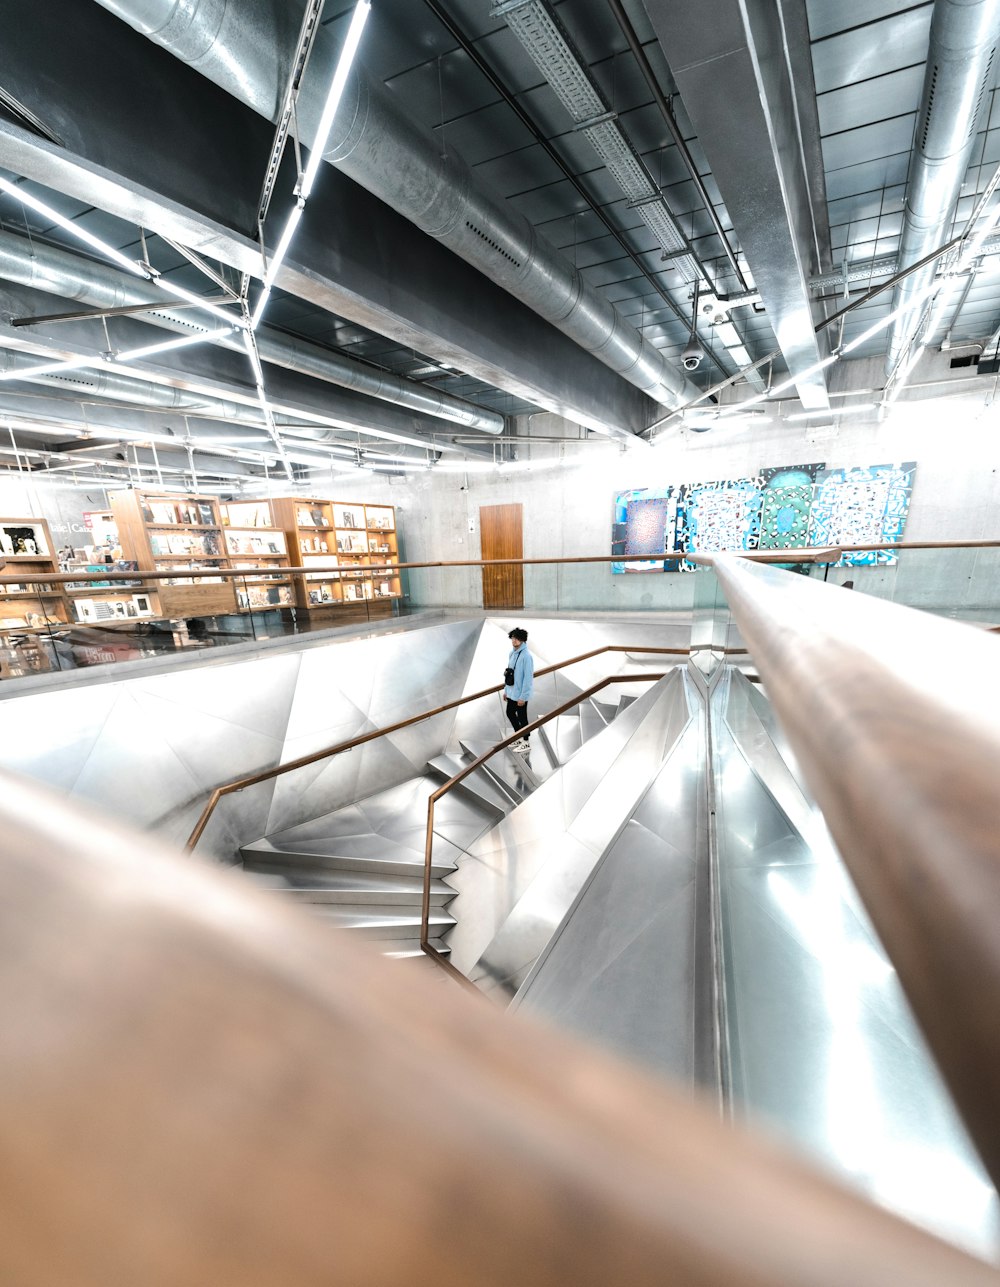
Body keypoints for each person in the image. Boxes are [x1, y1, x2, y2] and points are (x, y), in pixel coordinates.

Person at [504, 626, 534, 753]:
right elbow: (509, 674)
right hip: (511, 692)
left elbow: (528, 678)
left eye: (517, 639)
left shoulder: (526, 656)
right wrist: (506, 691)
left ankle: (526, 741)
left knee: (522, 717)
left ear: (523, 640)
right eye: (513, 638)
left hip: (521, 694)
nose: (514, 641)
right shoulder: (512, 653)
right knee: (510, 713)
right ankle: (519, 736)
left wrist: (523, 696)